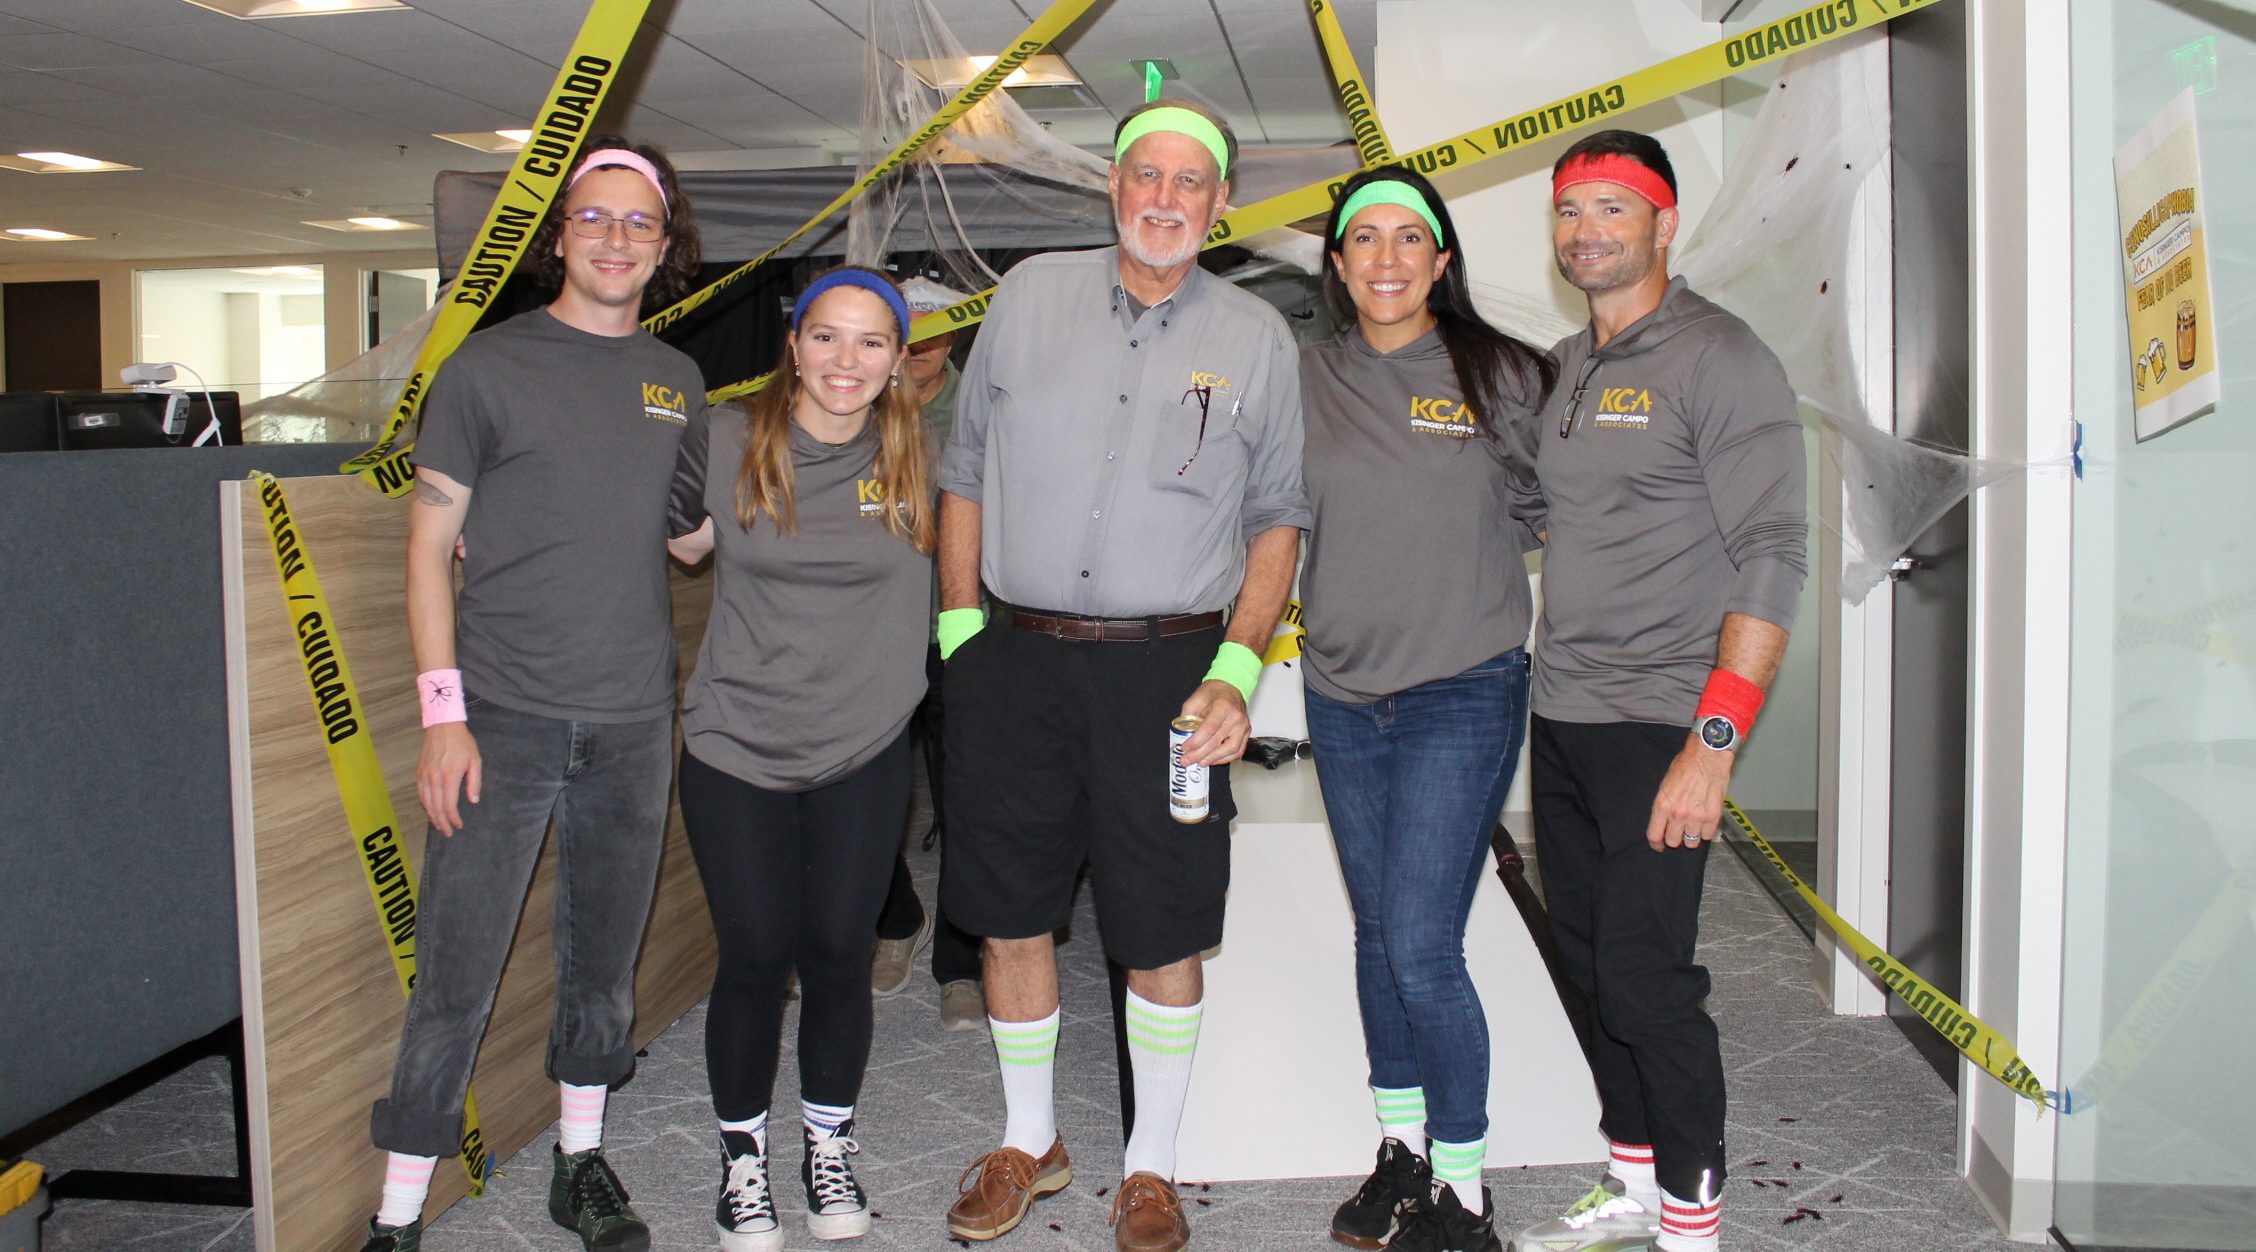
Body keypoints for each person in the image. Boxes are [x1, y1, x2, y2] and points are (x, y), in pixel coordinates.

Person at [935, 98, 1308, 1252]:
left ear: (1221, 205)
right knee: (1009, 908)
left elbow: (1278, 520)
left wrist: (1238, 670)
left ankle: (1153, 1164)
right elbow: (964, 473)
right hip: (1014, 656)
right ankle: (1030, 1139)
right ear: (1112, 185)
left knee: (1162, 924)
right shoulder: (1028, 296)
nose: (1165, 197)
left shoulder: (1257, 338)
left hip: (1171, 676)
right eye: (1147, 173)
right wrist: (959, 637)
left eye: (1191, 181)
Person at [362, 135, 703, 1252]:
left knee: (603, 966)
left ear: (665, 246)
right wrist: (443, 714)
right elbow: (426, 555)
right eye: (594, 219)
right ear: (562, 235)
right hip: (498, 719)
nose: (615, 239)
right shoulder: (485, 369)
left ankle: (578, 1163)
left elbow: (692, 539)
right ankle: (397, 1216)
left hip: (632, 722)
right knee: (456, 974)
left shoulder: (678, 381)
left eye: (637, 223)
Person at [1508, 130, 1806, 1252]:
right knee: (1587, 966)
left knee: (1644, 978)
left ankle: (1693, 1223)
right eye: (1570, 210)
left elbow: (1775, 550)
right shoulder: (1565, 366)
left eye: (1613, 209)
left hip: (1663, 724)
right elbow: (1546, 518)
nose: (1587, 231)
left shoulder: (1722, 360)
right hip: (1567, 713)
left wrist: (1715, 741)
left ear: (1663, 223)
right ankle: (1633, 1178)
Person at [1298, 166, 1553, 1252]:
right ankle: (1399, 1151)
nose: (1389, 258)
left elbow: (1554, 513)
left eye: (1413, 239)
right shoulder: (1300, 378)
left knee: (1421, 945)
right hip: (1342, 694)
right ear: (1340, 261)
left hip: (1463, 684)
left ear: (1441, 261)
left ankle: (1464, 1188)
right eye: (1368, 239)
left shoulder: (1501, 373)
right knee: (1377, 935)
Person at [665, 265, 935, 1249]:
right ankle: (742, 1161)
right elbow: (675, 540)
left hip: (864, 750)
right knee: (755, 956)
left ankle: (829, 1145)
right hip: (737, 744)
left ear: (900, 359)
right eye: (827, 336)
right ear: (793, 343)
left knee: (836, 956)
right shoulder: (729, 437)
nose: (846, 360)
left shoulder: (921, 461)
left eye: (871, 342)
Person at [867, 276, 986, 1029]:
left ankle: (961, 961)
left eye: (937, 329)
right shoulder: (847, 400)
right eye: (907, 331)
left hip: (962, 622)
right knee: (862, 791)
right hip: (871, 628)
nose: (921, 345)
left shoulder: (989, 404)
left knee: (968, 797)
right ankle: (895, 918)